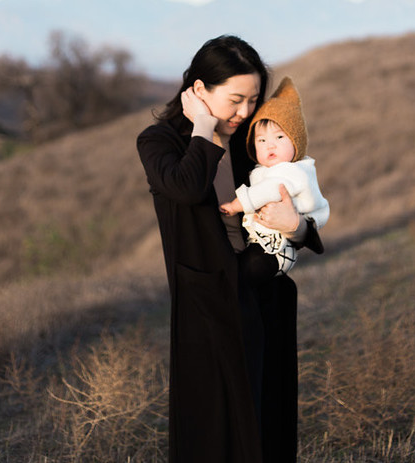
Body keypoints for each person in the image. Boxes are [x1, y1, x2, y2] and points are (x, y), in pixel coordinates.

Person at [136, 35, 324, 463]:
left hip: (263, 292)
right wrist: (203, 127)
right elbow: (185, 188)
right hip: (207, 300)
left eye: (253, 101)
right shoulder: (159, 142)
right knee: (213, 424)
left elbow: (299, 198)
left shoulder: (248, 142)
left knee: (267, 416)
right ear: (199, 90)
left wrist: (296, 227)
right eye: (235, 99)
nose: (245, 113)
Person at [220, 76, 329, 281]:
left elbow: (269, 190)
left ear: (297, 142)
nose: (270, 145)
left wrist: (236, 204)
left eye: (279, 138)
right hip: (268, 242)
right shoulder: (267, 169)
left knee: (249, 269)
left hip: (277, 249)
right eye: (261, 140)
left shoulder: (291, 171)